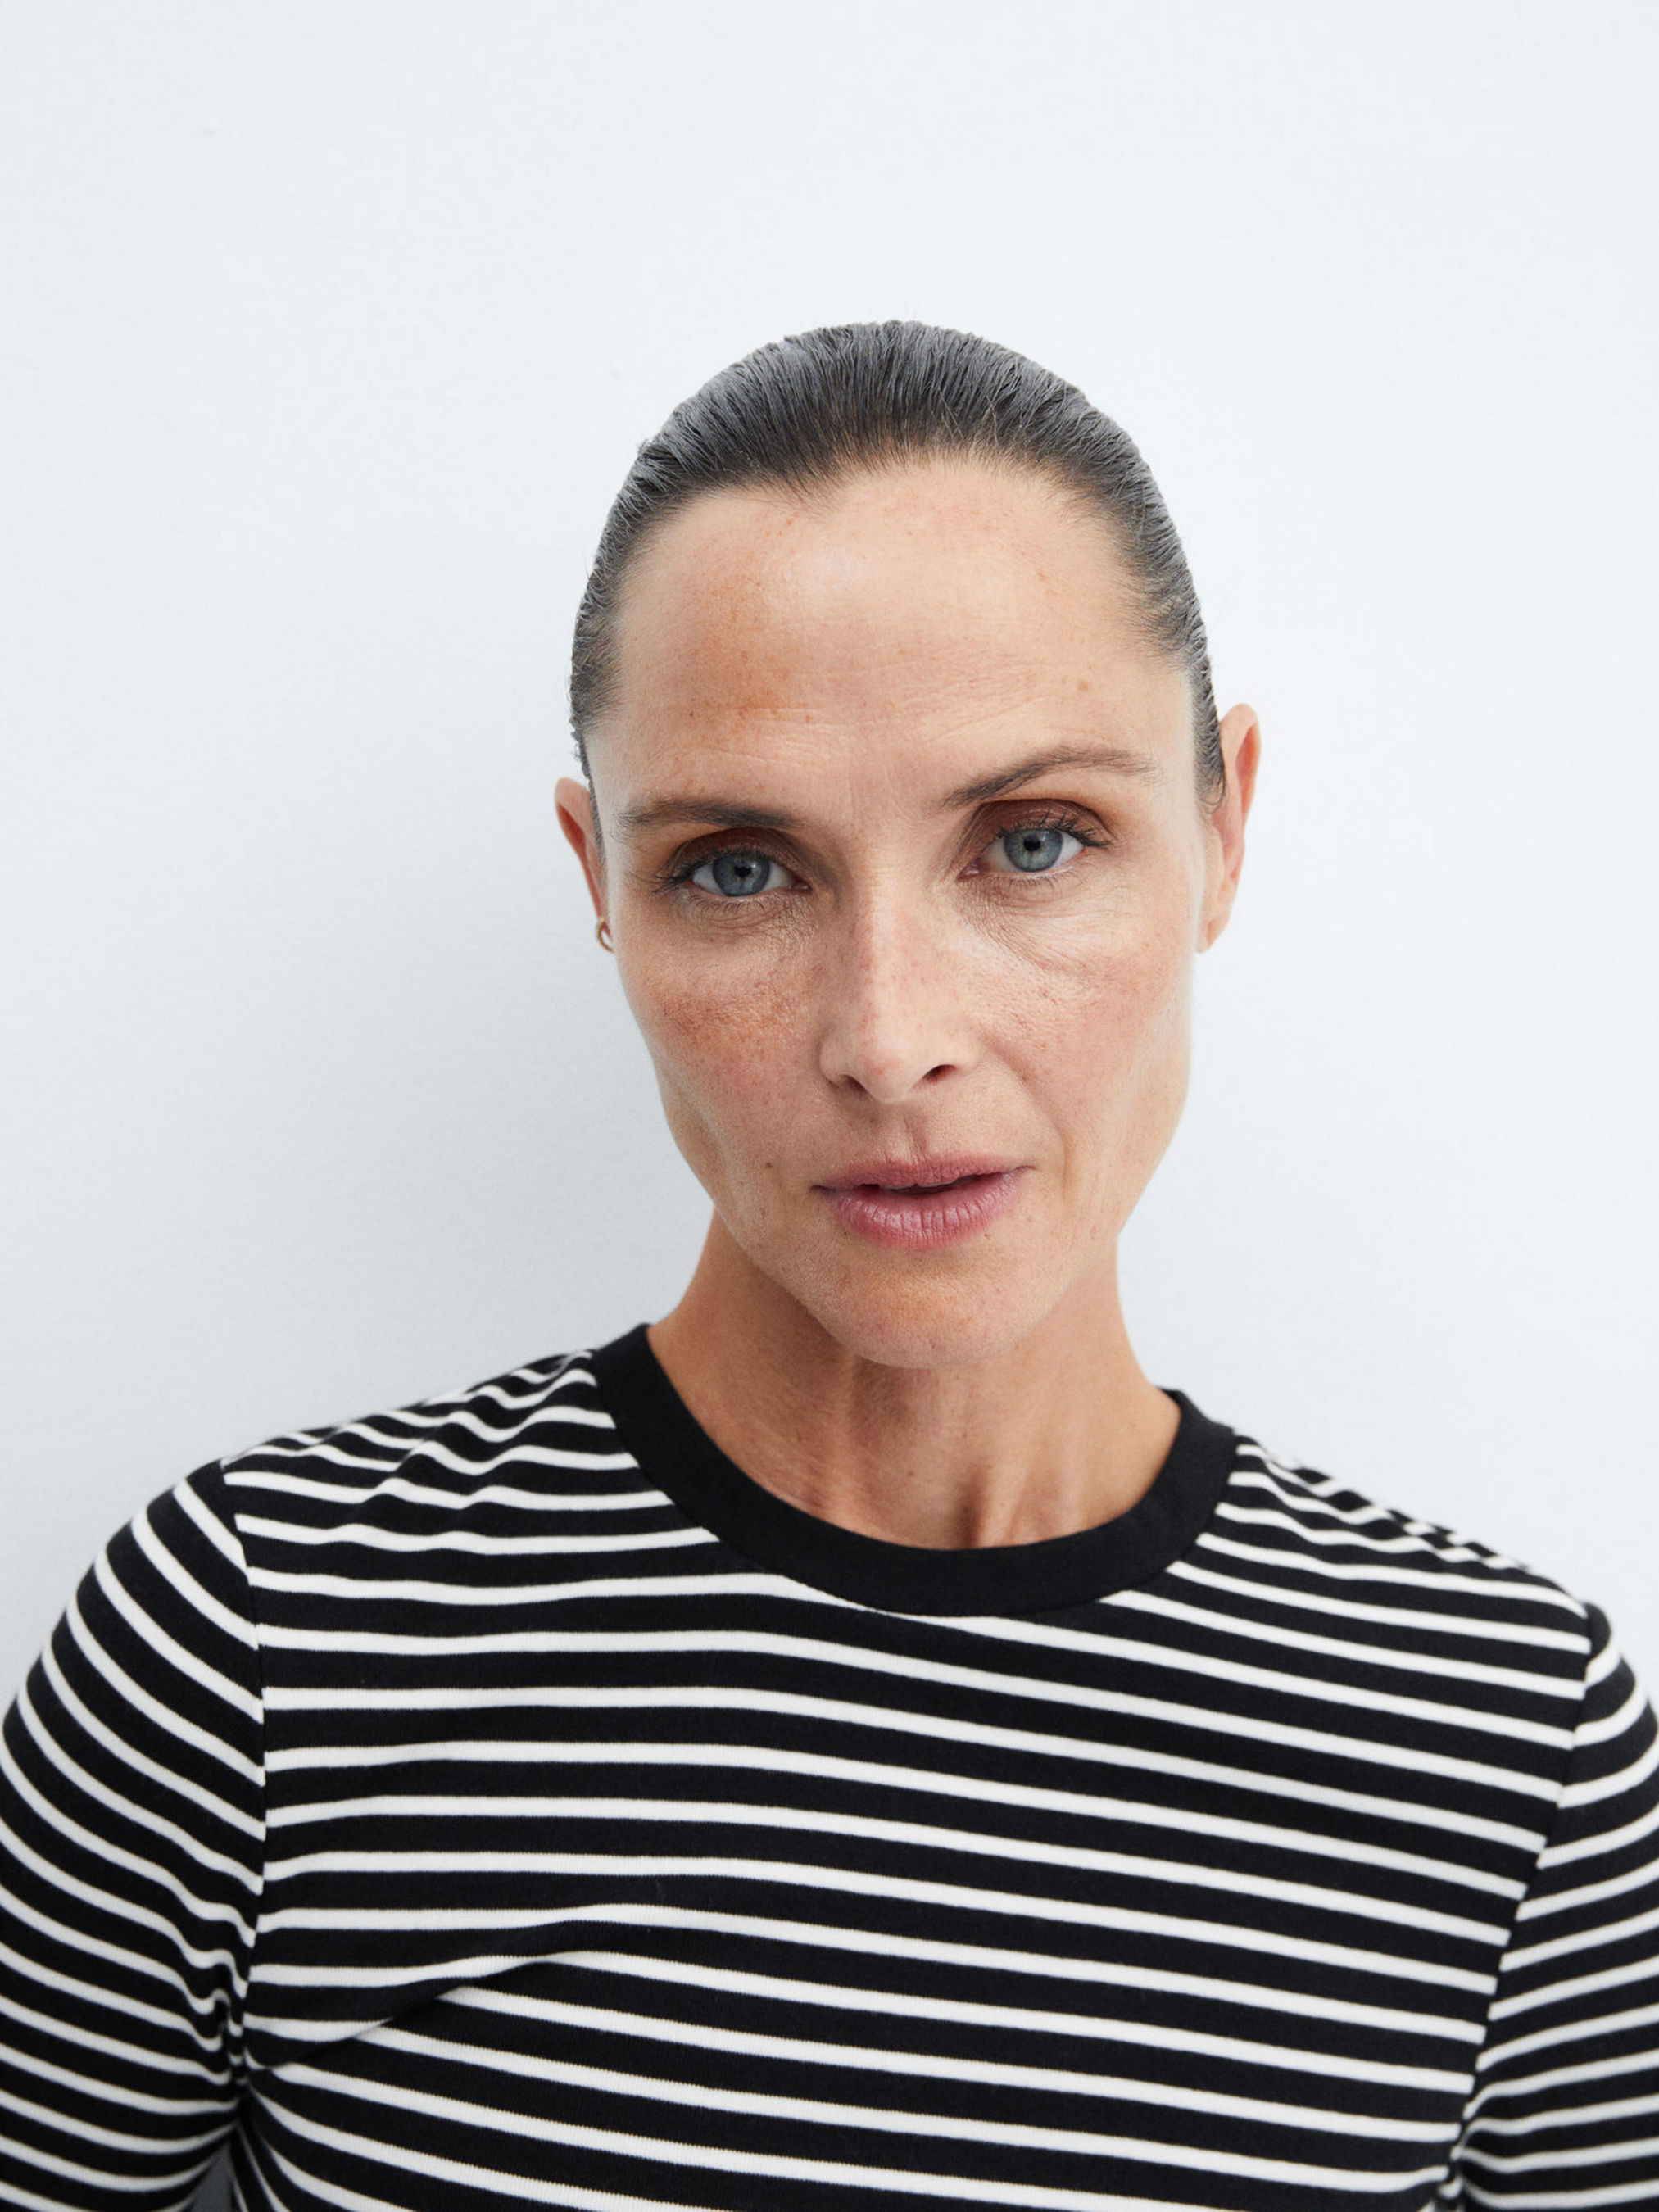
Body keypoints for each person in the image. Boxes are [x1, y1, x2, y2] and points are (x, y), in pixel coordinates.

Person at [2, 322, 1654, 2212]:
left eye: (1032, 841)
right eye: (737, 868)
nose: (888, 1038)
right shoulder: (256, 1646)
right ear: (598, 882)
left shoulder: (1506, 1743)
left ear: (1219, 830)